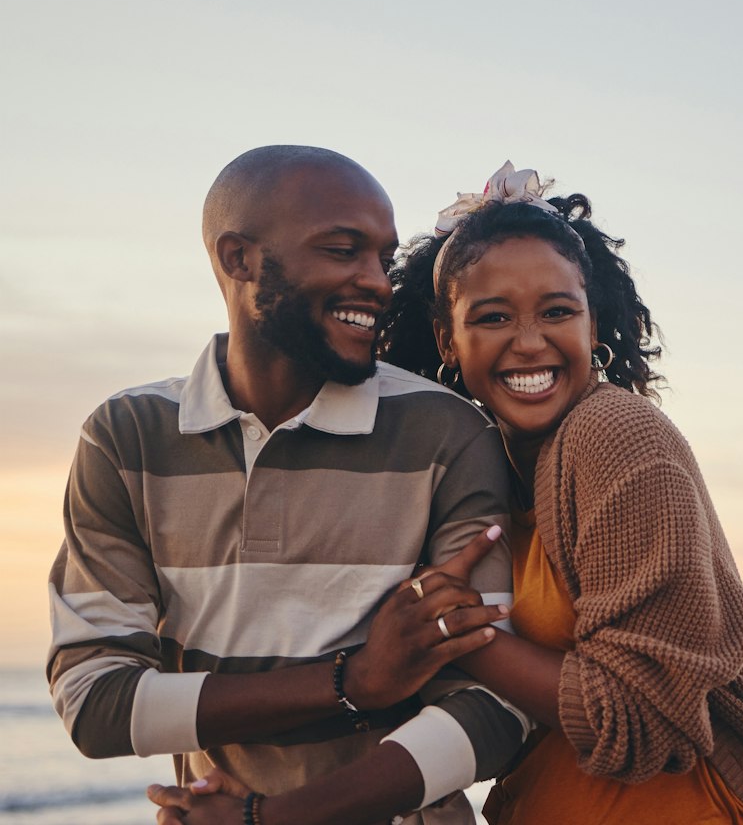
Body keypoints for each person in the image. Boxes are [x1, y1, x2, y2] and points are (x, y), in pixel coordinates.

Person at [47, 146, 529, 825]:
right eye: (342, 250)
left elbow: (493, 708)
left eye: (382, 259)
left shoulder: (448, 434)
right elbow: (96, 704)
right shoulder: (127, 439)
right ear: (238, 259)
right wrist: (352, 682)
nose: (379, 283)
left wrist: (271, 819)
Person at [374, 164, 743, 824]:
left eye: (557, 312)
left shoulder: (614, 434)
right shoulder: (478, 466)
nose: (528, 342)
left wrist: (463, 634)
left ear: (592, 322)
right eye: (493, 317)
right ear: (447, 341)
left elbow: (643, 716)